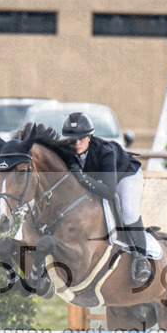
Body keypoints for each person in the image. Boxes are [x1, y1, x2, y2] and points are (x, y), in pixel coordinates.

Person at [61, 111, 151, 286]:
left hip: (126, 176)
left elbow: (110, 192)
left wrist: (82, 178)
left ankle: (141, 258)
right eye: (72, 140)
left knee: (129, 212)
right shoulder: (65, 152)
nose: (77, 143)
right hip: (101, 181)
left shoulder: (106, 151)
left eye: (82, 138)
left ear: (90, 136)